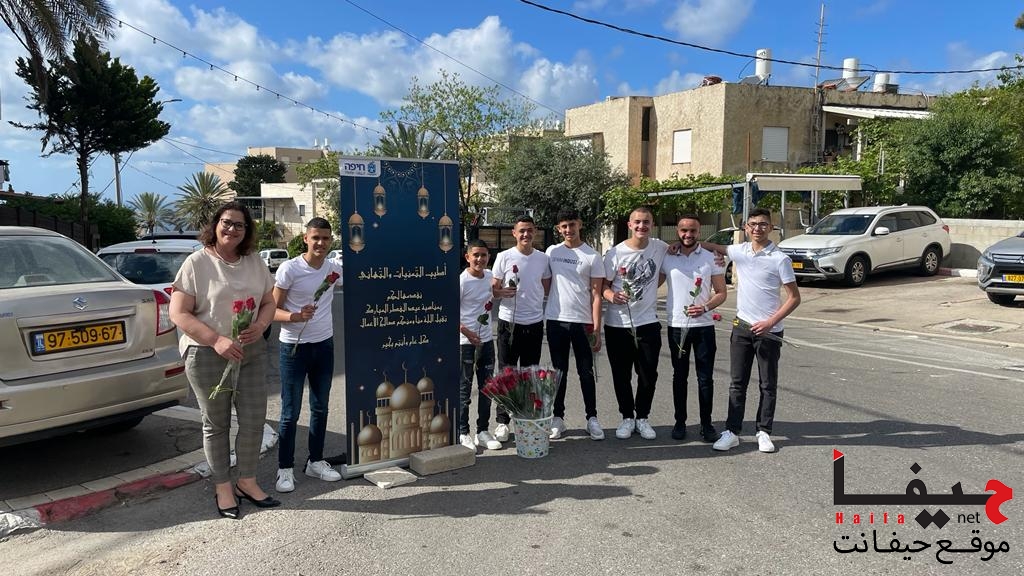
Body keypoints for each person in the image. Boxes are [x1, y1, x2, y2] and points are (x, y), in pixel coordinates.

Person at [169, 201, 280, 519]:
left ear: (247, 230)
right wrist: (216, 340)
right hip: (207, 353)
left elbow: (268, 302)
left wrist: (261, 324)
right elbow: (178, 312)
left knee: (253, 420)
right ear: (215, 225)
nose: (232, 229)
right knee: (216, 424)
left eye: (239, 224)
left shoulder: (254, 261)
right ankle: (223, 487)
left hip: (251, 352)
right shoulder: (197, 263)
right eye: (226, 222)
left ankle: (247, 481)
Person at [701, 208, 801, 453]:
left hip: (769, 331)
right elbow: (710, 245)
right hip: (742, 328)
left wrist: (770, 322)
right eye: (753, 224)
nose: (758, 228)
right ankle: (732, 432)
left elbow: (794, 298)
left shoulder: (780, 259)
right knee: (737, 383)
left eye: (763, 224)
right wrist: (678, 247)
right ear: (746, 228)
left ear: (771, 228)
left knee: (767, 384)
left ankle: (764, 432)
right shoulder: (740, 251)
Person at [272, 218, 345, 493]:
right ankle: (284, 469)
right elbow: (271, 309)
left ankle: (315, 461)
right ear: (306, 238)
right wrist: (295, 316)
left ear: (330, 240)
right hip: (293, 348)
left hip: (324, 345)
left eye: (325, 238)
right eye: (315, 238)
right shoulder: (289, 269)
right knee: (290, 413)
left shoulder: (334, 269)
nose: (320, 243)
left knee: (320, 407)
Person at [602, 206, 669, 441]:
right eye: (637, 222)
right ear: (630, 225)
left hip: (648, 323)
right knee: (621, 375)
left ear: (652, 225)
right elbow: (603, 285)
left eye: (646, 222)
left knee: (648, 374)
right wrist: (612, 296)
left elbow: (680, 253)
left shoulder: (660, 247)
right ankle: (627, 418)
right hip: (617, 324)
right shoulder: (615, 253)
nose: (642, 226)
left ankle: (642, 417)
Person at [659, 214, 727, 443]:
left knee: (705, 378)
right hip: (677, 326)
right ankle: (680, 422)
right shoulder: (667, 257)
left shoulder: (711, 258)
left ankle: (706, 424)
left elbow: (721, 293)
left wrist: (705, 307)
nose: (688, 235)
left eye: (693, 231)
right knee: (679, 377)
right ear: (677, 231)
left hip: (704, 327)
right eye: (684, 230)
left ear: (699, 232)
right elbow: (652, 284)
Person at [544, 210, 605, 440]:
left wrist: (596, 328)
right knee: (559, 372)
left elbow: (597, 295)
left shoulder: (592, 256)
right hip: (556, 320)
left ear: (579, 224)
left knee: (586, 372)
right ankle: (558, 418)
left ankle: (592, 418)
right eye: (564, 226)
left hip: (583, 322)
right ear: (558, 229)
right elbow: (546, 284)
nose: (568, 230)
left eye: (572, 224)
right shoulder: (552, 252)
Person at [491, 216, 551, 441]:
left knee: (529, 374)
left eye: (530, 230)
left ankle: (524, 418)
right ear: (514, 233)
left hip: (534, 323)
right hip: (509, 323)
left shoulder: (543, 259)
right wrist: (501, 293)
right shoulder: (504, 257)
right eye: (522, 231)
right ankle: (502, 421)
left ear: (535, 232)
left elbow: (546, 288)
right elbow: (493, 289)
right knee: (507, 373)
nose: (526, 234)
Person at [458, 239, 501, 451]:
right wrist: (467, 332)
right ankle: (462, 432)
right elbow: (450, 312)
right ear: (467, 257)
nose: (479, 259)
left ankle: (482, 431)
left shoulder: (490, 276)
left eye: (483, 255)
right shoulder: (461, 281)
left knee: (487, 389)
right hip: (465, 343)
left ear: (488, 257)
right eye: (475, 255)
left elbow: (495, 294)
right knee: (464, 389)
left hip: (486, 341)